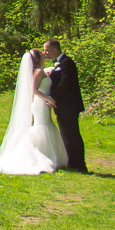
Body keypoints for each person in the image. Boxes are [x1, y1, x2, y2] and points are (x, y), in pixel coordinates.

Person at [0, 47, 69, 175]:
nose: (44, 53)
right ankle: (39, 156)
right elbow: (34, 90)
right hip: (40, 105)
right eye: (41, 52)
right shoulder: (38, 71)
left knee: (45, 126)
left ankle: (47, 154)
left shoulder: (41, 71)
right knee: (41, 127)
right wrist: (50, 99)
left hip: (43, 104)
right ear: (37, 58)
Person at [39, 37, 87, 173]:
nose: (45, 53)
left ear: (55, 49)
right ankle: (72, 162)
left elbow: (64, 84)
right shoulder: (58, 64)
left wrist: (52, 98)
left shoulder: (66, 63)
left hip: (69, 106)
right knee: (66, 135)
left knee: (72, 135)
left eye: (46, 50)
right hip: (63, 106)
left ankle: (79, 164)